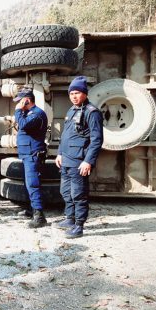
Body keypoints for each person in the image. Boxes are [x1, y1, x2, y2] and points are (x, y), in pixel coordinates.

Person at [55, 76, 103, 238]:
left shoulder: (92, 112)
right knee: (66, 192)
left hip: (79, 161)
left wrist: (88, 161)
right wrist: (59, 153)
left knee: (79, 194)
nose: (74, 96)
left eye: (77, 93)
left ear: (84, 93)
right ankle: (70, 218)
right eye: (71, 93)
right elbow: (65, 135)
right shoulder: (71, 110)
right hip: (66, 159)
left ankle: (79, 226)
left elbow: (97, 140)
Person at [13, 88, 49, 228]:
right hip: (27, 154)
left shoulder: (37, 114)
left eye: (20, 101)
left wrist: (18, 111)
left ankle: (39, 217)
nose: (17, 104)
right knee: (29, 184)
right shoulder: (28, 113)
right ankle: (32, 210)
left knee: (33, 184)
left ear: (26, 100)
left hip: (33, 154)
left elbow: (23, 124)